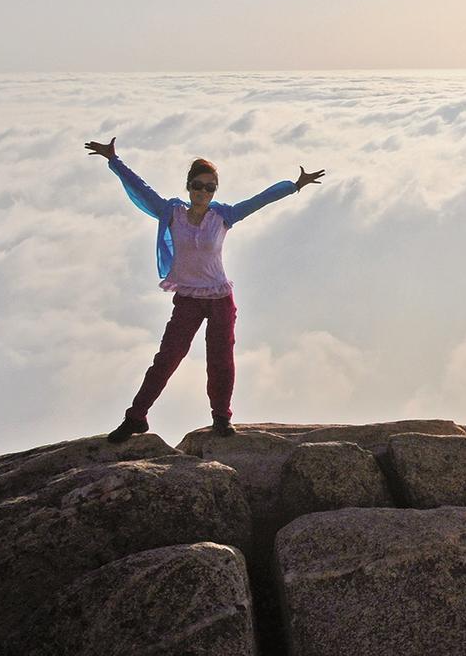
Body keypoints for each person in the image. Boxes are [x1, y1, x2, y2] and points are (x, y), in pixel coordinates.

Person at [84, 136, 324, 441]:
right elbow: (141, 190)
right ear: (188, 186)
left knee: (221, 359)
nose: (203, 192)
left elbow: (259, 200)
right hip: (188, 298)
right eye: (198, 185)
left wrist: (294, 185)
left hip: (220, 298)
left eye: (210, 187)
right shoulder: (170, 212)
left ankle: (221, 418)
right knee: (167, 357)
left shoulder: (223, 216)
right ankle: (136, 417)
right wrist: (114, 160)